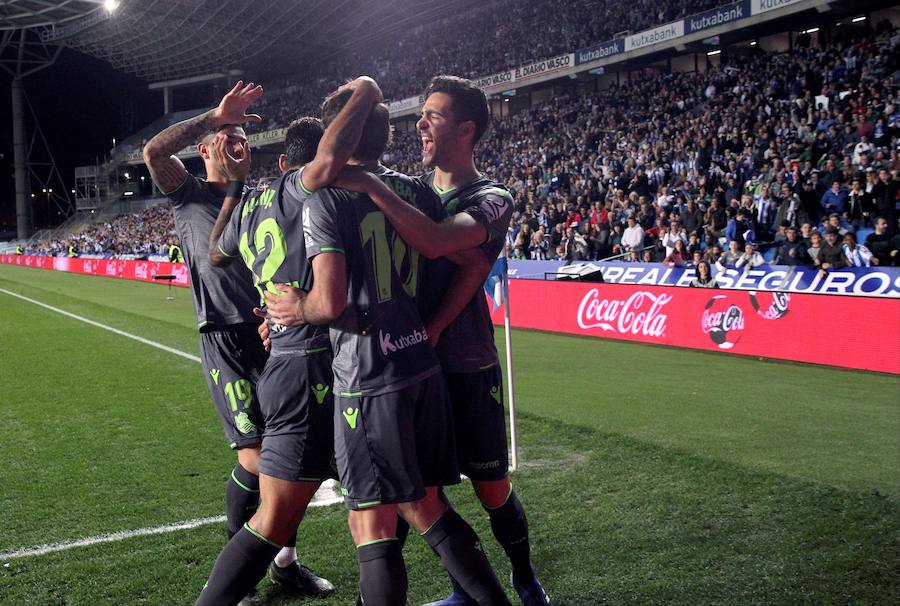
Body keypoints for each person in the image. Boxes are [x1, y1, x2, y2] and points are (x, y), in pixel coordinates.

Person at [267, 84, 512, 606]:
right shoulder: (417, 194)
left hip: (367, 374)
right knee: (425, 503)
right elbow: (471, 263)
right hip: (421, 365)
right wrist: (433, 327)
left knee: (371, 522)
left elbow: (329, 300)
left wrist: (292, 312)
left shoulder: (327, 197)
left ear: (339, 135)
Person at [335, 75, 553, 606]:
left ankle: (524, 578)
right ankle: (461, 588)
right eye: (421, 114)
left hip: (465, 361)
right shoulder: (412, 190)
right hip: (410, 366)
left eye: (433, 114)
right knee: (415, 489)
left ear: (466, 129)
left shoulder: (492, 198)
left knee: (490, 487)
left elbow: (440, 245)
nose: (420, 124)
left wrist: (371, 186)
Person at [198, 78, 387, 605]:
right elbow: (326, 165)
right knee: (301, 516)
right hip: (317, 368)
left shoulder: (249, 203)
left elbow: (216, 253)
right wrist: (366, 91)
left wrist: (233, 189)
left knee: (362, 508)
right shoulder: (307, 191)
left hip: (286, 364)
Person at [142, 81, 330, 605]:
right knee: (255, 457)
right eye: (228, 136)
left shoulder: (257, 198)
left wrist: (282, 310)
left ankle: (284, 566)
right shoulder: (187, 193)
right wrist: (214, 117)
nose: (238, 142)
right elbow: (154, 152)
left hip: (274, 337)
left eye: (243, 137)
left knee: (288, 459)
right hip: (223, 338)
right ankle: (239, 570)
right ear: (204, 149)